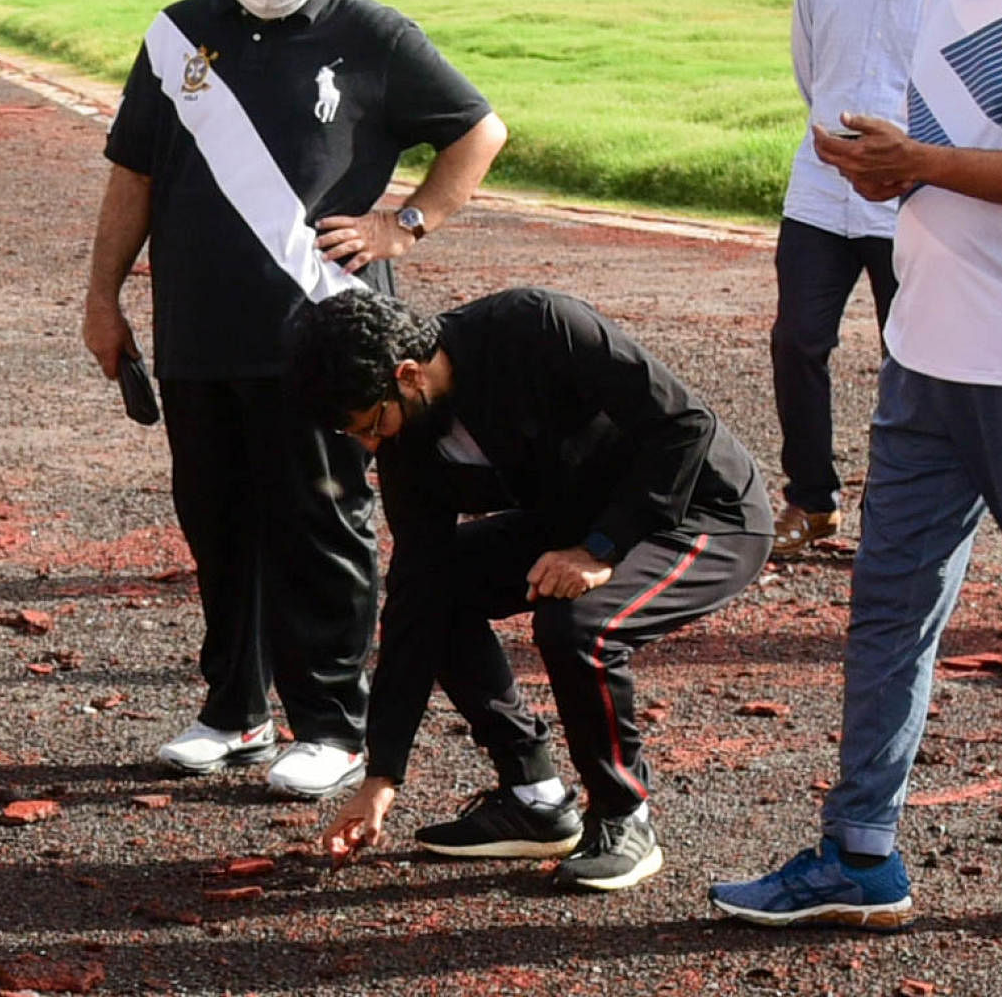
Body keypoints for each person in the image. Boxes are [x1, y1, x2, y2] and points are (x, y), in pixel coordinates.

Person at [709, 0, 1002, 934]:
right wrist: (884, 169)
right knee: (885, 610)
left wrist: (920, 162)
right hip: (924, 350)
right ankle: (859, 850)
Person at [81, 0, 506, 800]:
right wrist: (102, 296)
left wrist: (406, 223)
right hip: (196, 327)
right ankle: (234, 710)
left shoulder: (375, 35)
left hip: (325, 331)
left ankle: (332, 726)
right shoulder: (176, 36)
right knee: (217, 523)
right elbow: (133, 176)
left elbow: (480, 129)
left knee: (320, 521)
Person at [289, 287, 773, 890]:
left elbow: (683, 424)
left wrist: (603, 549)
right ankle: (534, 797)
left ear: (407, 374)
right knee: (436, 588)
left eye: (369, 424)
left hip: (701, 511)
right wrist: (381, 775)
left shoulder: (537, 326)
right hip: (578, 518)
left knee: (577, 623)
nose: (368, 446)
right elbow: (416, 588)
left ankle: (625, 817)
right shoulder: (407, 436)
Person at [770, 0, 928, 556]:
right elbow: (813, 77)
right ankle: (812, 501)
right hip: (820, 193)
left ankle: (903, 511)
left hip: (910, 199)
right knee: (797, 342)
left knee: (914, 356)